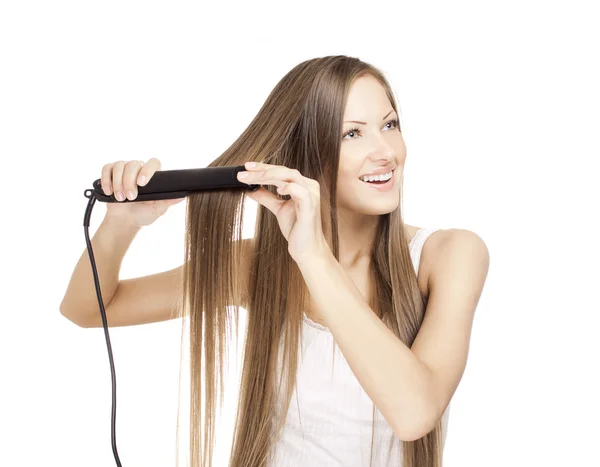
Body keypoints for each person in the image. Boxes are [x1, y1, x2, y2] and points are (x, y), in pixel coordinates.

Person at [60, 55, 489, 467]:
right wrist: (121, 224)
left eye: (389, 125)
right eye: (352, 134)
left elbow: (414, 413)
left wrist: (313, 254)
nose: (386, 152)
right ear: (307, 153)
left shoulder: (450, 255)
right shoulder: (256, 266)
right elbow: (87, 308)